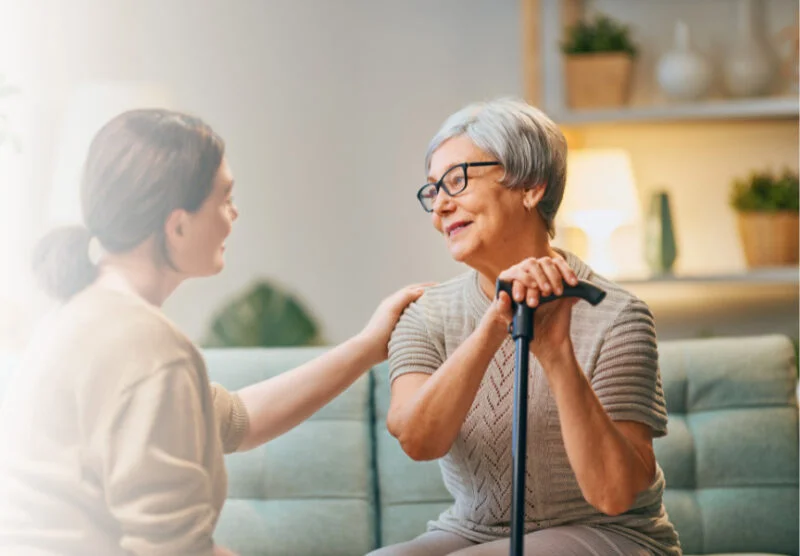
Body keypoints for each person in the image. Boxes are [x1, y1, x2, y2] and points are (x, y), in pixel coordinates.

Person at [0, 108, 429, 556]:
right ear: (178, 223)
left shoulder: (85, 316)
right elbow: (173, 550)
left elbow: (235, 421)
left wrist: (366, 347)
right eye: (224, 197)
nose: (234, 213)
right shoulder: (145, 345)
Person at [372, 98, 681, 555]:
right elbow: (419, 439)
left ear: (531, 186)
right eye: (433, 190)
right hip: (474, 532)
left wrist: (557, 355)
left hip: (610, 533)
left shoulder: (617, 315)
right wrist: (494, 324)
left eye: (456, 180)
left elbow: (613, 495)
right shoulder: (426, 313)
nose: (440, 206)